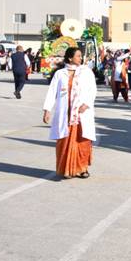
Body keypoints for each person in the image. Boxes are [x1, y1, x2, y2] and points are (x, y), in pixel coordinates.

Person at [42, 47, 97, 179]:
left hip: (81, 114)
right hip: (65, 115)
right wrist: (47, 110)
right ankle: (66, 169)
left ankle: (82, 168)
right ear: (70, 58)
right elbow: (52, 92)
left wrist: (86, 104)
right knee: (64, 141)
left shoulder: (87, 72)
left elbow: (92, 90)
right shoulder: (60, 74)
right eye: (78, 56)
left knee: (83, 141)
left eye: (80, 56)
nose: (80, 58)